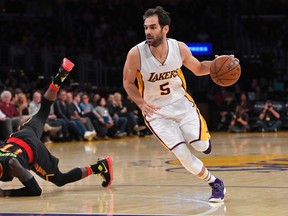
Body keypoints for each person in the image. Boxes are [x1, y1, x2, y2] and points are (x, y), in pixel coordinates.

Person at [123, 6, 227, 203]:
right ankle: (215, 183)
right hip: (156, 112)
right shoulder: (135, 54)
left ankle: (202, 140)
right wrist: (140, 103)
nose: (148, 32)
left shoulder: (179, 48)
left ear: (165, 29)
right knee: (182, 155)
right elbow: (127, 83)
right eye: (146, 27)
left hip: (182, 104)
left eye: (153, 27)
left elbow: (197, 68)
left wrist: (217, 64)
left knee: (201, 146)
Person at [0, 58, 113, 197]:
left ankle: (101, 167)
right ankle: (61, 75)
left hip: (33, 149)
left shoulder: (12, 165)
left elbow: (36, 191)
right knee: (43, 111)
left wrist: (5, 193)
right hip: (19, 136)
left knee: (60, 179)